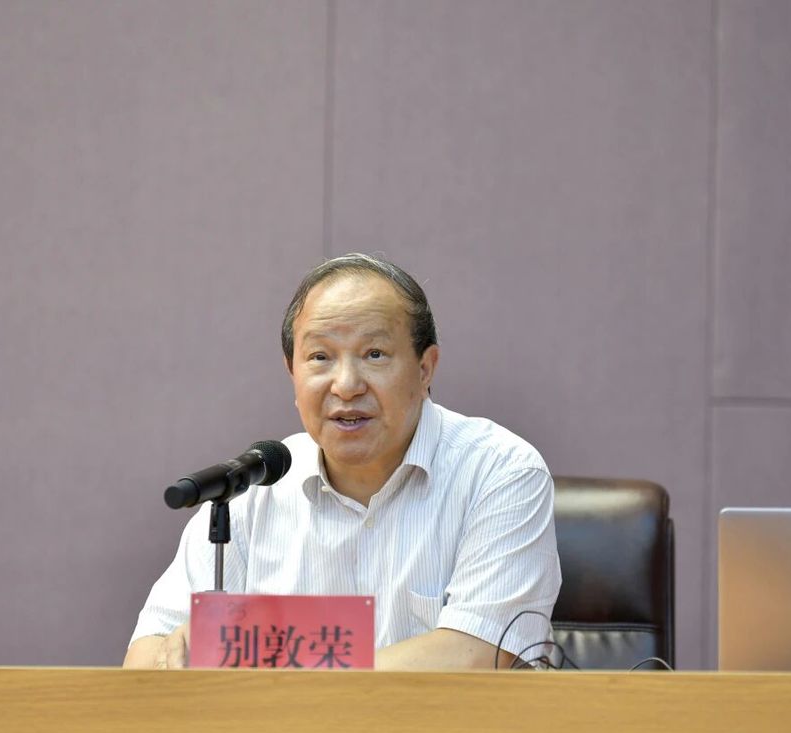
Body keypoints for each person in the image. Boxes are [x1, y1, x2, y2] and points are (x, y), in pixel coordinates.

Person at [123, 254, 560, 670]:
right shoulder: (254, 489)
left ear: (425, 368)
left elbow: (474, 656)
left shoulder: (499, 472)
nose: (347, 385)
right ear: (292, 373)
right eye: (320, 357)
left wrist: (276, 671)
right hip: (279, 727)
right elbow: (144, 655)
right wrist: (178, 655)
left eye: (374, 354)